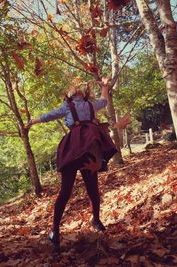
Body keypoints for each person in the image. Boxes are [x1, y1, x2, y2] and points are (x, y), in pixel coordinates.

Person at [26, 77, 117, 253]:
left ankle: (55, 230)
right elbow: (104, 101)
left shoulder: (72, 106)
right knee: (91, 188)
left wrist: (32, 121)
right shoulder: (90, 105)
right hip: (89, 146)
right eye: (74, 90)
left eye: (75, 90)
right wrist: (104, 86)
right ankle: (95, 220)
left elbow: (48, 116)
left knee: (66, 190)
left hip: (73, 148)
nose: (75, 90)